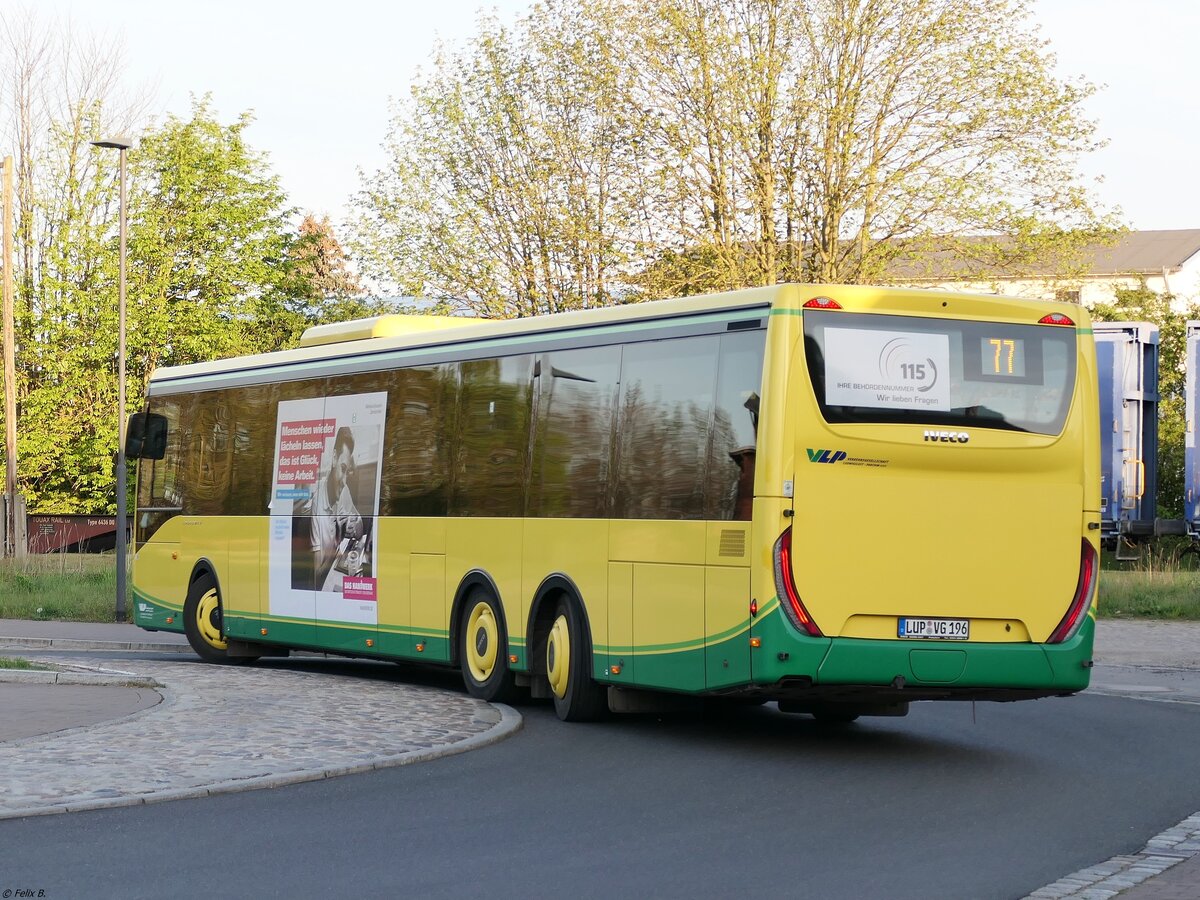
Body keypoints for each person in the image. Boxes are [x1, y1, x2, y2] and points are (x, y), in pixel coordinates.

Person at [310, 426, 364, 591]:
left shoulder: (344, 490)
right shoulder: (316, 506)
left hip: (341, 570)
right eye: (342, 469)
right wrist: (340, 535)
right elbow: (316, 575)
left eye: (347, 471)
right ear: (334, 458)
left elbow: (360, 527)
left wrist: (353, 526)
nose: (345, 480)